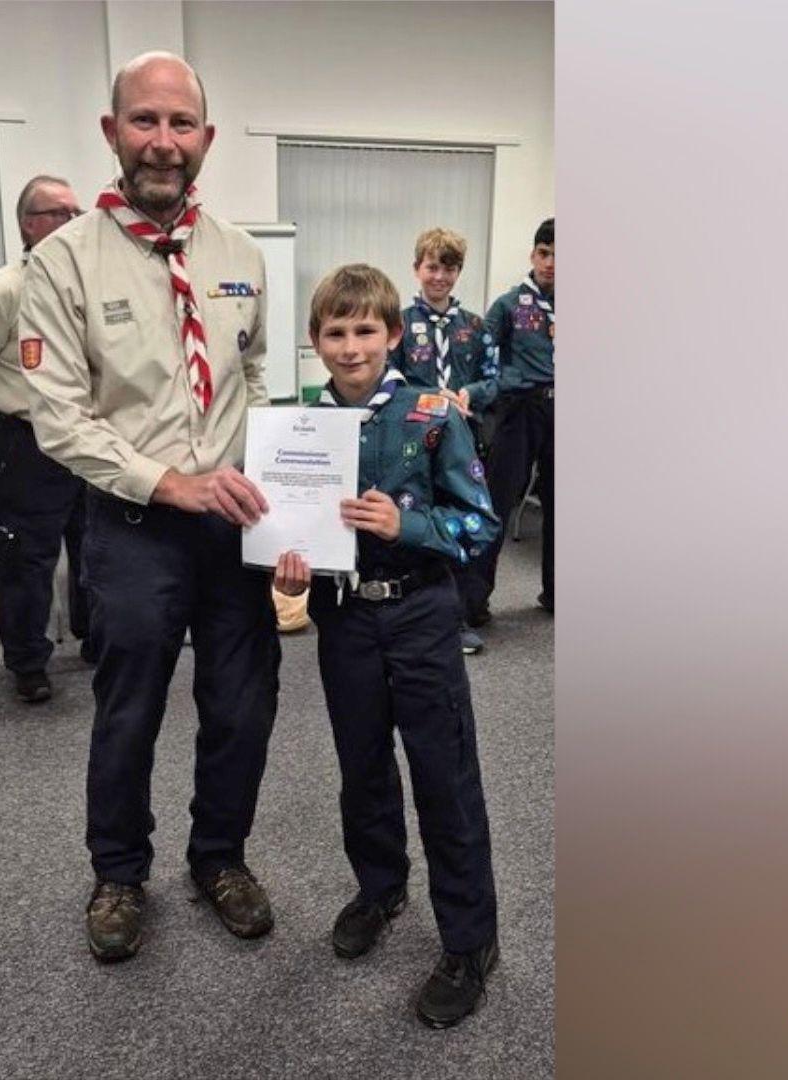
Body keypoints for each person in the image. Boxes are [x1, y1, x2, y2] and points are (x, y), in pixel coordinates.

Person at [20, 51, 280, 961]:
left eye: (180, 125)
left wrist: (276, 486)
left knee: (243, 706)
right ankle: (119, 873)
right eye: (144, 122)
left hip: (230, 528)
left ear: (205, 140)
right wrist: (170, 480)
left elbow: (251, 372)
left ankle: (221, 858)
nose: (162, 143)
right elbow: (58, 417)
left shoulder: (241, 256)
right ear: (111, 132)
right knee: (129, 709)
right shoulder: (61, 265)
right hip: (133, 530)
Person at [274, 264, 501, 1029]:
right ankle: (380, 889)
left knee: (444, 776)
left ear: (393, 333)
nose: (350, 346)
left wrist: (407, 526)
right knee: (362, 768)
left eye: (365, 330)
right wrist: (287, 555)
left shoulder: (432, 415)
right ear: (315, 342)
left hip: (419, 618)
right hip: (344, 620)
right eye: (334, 333)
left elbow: (480, 525)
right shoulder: (299, 430)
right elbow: (289, 527)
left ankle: (471, 942)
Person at [0, 175, 92, 704]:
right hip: (28, 443)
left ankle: (95, 639)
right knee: (26, 558)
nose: (75, 222)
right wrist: (15, 397)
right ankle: (28, 662)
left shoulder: (85, 287)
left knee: (94, 547)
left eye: (78, 212)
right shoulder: (0, 291)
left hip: (86, 437)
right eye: (62, 213)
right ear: (30, 224)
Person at [387, 227, 501, 654]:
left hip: (462, 441)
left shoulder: (474, 325)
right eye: (432, 266)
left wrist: (473, 393)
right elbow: (390, 380)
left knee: (458, 524)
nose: (440, 276)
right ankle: (422, 617)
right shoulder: (398, 324)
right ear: (417, 268)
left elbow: (496, 376)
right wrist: (430, 398)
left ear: (458, 273)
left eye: (449, 268)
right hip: (415, 443)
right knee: (420, 523)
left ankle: (458, 619)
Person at [474, 217, 555, 617]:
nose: (552, 263)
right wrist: (511, 380)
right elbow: (482, 358)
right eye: (545, 254)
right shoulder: (509, 305)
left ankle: (556, 593)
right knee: (497, 503)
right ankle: (473, 602)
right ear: (533, 255)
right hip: (519, 408)